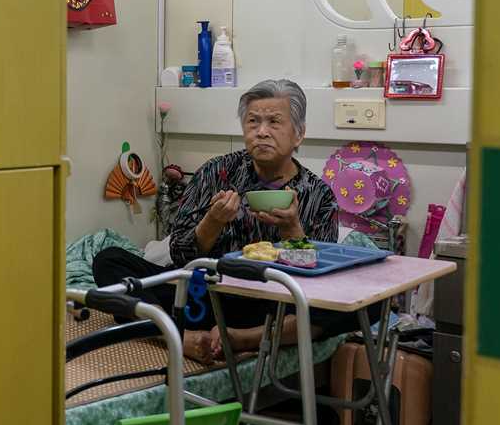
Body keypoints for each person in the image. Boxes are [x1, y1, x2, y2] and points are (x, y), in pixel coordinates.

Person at [93, 79, 358, 363]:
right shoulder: (216, 172)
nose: (262, 132)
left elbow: (321, 280)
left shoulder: (318, 195)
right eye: (253, 122)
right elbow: (179, 255)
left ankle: (240, 339)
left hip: (270, 307)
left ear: (299, 134)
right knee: (109, 261)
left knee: (355, 307)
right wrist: (212, 222)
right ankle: (181, 338)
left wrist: (292, 230)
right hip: (204, 295)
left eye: (274, 122)